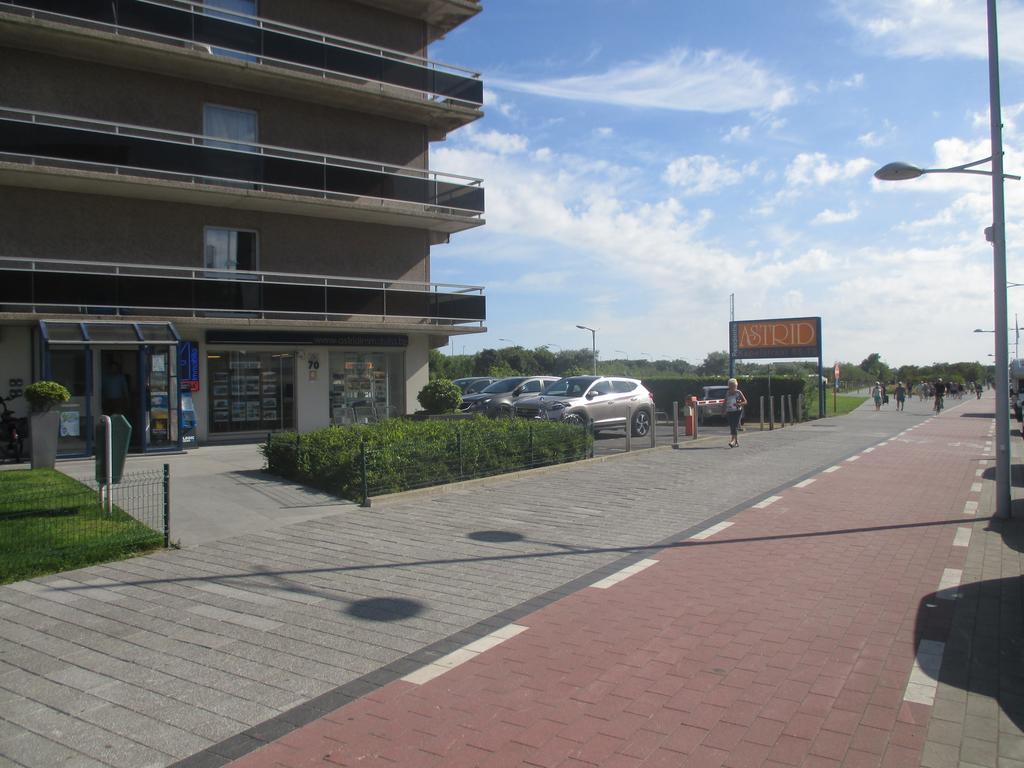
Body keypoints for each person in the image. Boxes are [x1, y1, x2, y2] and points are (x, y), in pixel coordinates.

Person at [724, 377, 747, 448]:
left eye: (734, 386)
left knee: (735, 425)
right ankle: (736, 442)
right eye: (731, 386)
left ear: (736, 386)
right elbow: (725, 401)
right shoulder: (727, 393)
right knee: (732, 426)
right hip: (729, 411)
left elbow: (745, 401)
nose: (732, 387)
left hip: (737, 411)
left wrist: (739, 404)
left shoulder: (738, 392)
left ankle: (732, 441)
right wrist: (723, 410)